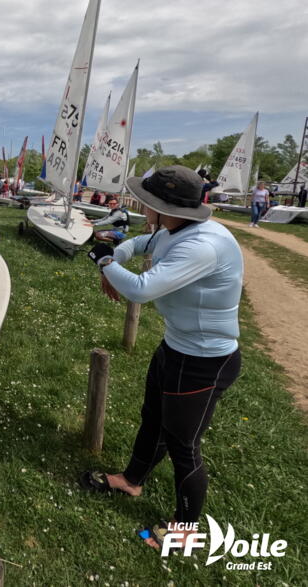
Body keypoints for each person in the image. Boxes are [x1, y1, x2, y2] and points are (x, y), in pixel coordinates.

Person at [82, 166, 243, 554]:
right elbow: (138, 244)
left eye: (146, 200)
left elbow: (141, 289)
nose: (141, 205)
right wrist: (114, 256)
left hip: (204, 361)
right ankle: (132, 480)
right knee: (152, 418)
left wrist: (104, 262)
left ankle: (186, 529)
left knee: (183, 445)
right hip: (175, 347)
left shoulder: (202, 245)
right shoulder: (172, 229)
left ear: (163, 206)